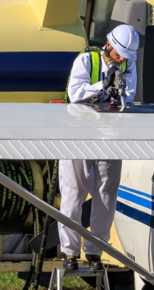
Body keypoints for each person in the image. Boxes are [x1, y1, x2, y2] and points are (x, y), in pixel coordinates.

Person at [58, 24, 139, 272]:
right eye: (119, 55)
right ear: (109, 45)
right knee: (74, 192)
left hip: (109, 134)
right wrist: (102, 86)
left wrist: (120, 92)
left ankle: (95, 250)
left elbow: (131, 94)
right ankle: (70, 252)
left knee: (106, 192)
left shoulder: (129, 63)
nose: (122, 59)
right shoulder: (87, 60)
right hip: (79, 135)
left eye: (126, 56)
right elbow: (75, 94)